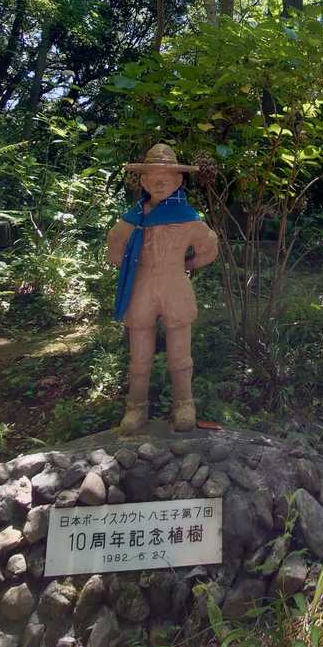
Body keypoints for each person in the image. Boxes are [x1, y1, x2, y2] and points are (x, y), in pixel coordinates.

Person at [106, 144, 219, 434]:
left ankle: (184, 404)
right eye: (153, 177)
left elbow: (209, 247)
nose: (159, 182)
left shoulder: (187, 218)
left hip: (174, 286)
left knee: (180, 355)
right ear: (143, 181)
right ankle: (136, 408)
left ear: (179, 180)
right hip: (141, 286)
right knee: (139, 357)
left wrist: (187, 265)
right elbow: (114, 244)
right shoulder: (133, 218)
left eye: (166, 177)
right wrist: (131, 268)